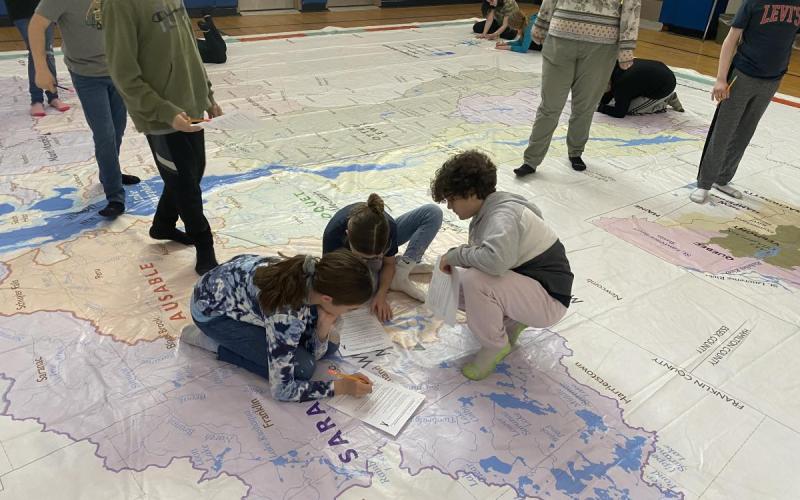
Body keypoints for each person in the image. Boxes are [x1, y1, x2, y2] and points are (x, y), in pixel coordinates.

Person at [431, 150, 573, 381]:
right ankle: (513, 321)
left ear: (470, 193)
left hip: (549, 300)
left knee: (474, 280)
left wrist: (456, 255)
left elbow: (495, 263)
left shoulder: (502, 215)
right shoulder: (493, 209)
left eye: (451, 199)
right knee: (459, 279)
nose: (449, 207)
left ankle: (495, 346)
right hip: (534, 288)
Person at [103, 0, 222, 274]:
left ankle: (163, 225)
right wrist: (165, 111)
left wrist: (206, 94)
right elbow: (123, 74)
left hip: (189, 104)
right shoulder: (118, 6)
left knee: (190, 173)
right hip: (160, 116)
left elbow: (189, 48)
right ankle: (205, 248)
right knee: (186, 186)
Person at [182, 250, 374, 402]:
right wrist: (341, 388)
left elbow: (315, 348)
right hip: (213, 316)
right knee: (303, 370)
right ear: (326, 298)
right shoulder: (287, 316)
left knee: (330, 345)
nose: (346, 314)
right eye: (349, 309)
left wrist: (323, 325)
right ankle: (214, 343)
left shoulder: (309, 272)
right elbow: (282, 390)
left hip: (226, 293)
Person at [29, 0, 141, 218]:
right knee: (105, 134)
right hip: (87, 75)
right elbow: (36, 25)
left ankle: (110, 174)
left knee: (118, 129)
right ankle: (115, 195)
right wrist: (41, 69)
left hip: (119, 70)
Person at [515, 0, 642, 177]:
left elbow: (632, 5)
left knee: (585, 105)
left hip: (602, 46)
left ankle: (575, 151)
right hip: (560, 38)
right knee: (550, 105)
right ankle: (531, 160)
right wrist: (542, 23)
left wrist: (627, 47)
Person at [691, 0, 800, 204]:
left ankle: (723, 178)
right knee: (724, 130)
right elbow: (731, 39)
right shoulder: (754, 2)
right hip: (743, 75)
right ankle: (705, 183)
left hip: (773, 79)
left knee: (745, 131)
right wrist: (721, 78)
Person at [322, 194, 442, 322]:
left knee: (433, 212)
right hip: (351, 260)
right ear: (347, 235)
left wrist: (381, 294)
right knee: (358, 290)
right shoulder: (333, 236)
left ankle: (403, 268)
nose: (367, 260)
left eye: (376, 256)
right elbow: (330, 278)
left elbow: (388, 264)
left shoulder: (387, 227)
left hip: (376, 245)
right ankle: (381, 272)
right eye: (362, 257)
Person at [3, 0, 68, 116]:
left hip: (45, 7)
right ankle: (37, 99)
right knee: (35, 51)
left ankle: (53, 94)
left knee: (47, 51)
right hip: (21, 10)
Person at [597, 59, 684, 118]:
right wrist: (601, 102)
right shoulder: (616, 65)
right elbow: (609, 92)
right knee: (621, 97)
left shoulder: (621, 85)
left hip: (664, 86)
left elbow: (619, 113)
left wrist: (598, 107)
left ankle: (664, 100)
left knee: (630, 110)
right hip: (656, 73)